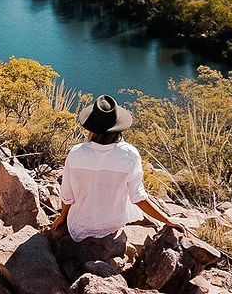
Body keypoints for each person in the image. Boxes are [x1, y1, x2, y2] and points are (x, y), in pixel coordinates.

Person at [53, 95, 185, 245]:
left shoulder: (76, 153)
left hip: (79, 226)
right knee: (126, 189)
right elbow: (138, 198)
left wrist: (62, 218)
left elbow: (67, 196)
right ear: (118, 127)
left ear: (91, 126)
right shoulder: (129, 154)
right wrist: (168, 221)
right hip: (112, 224)